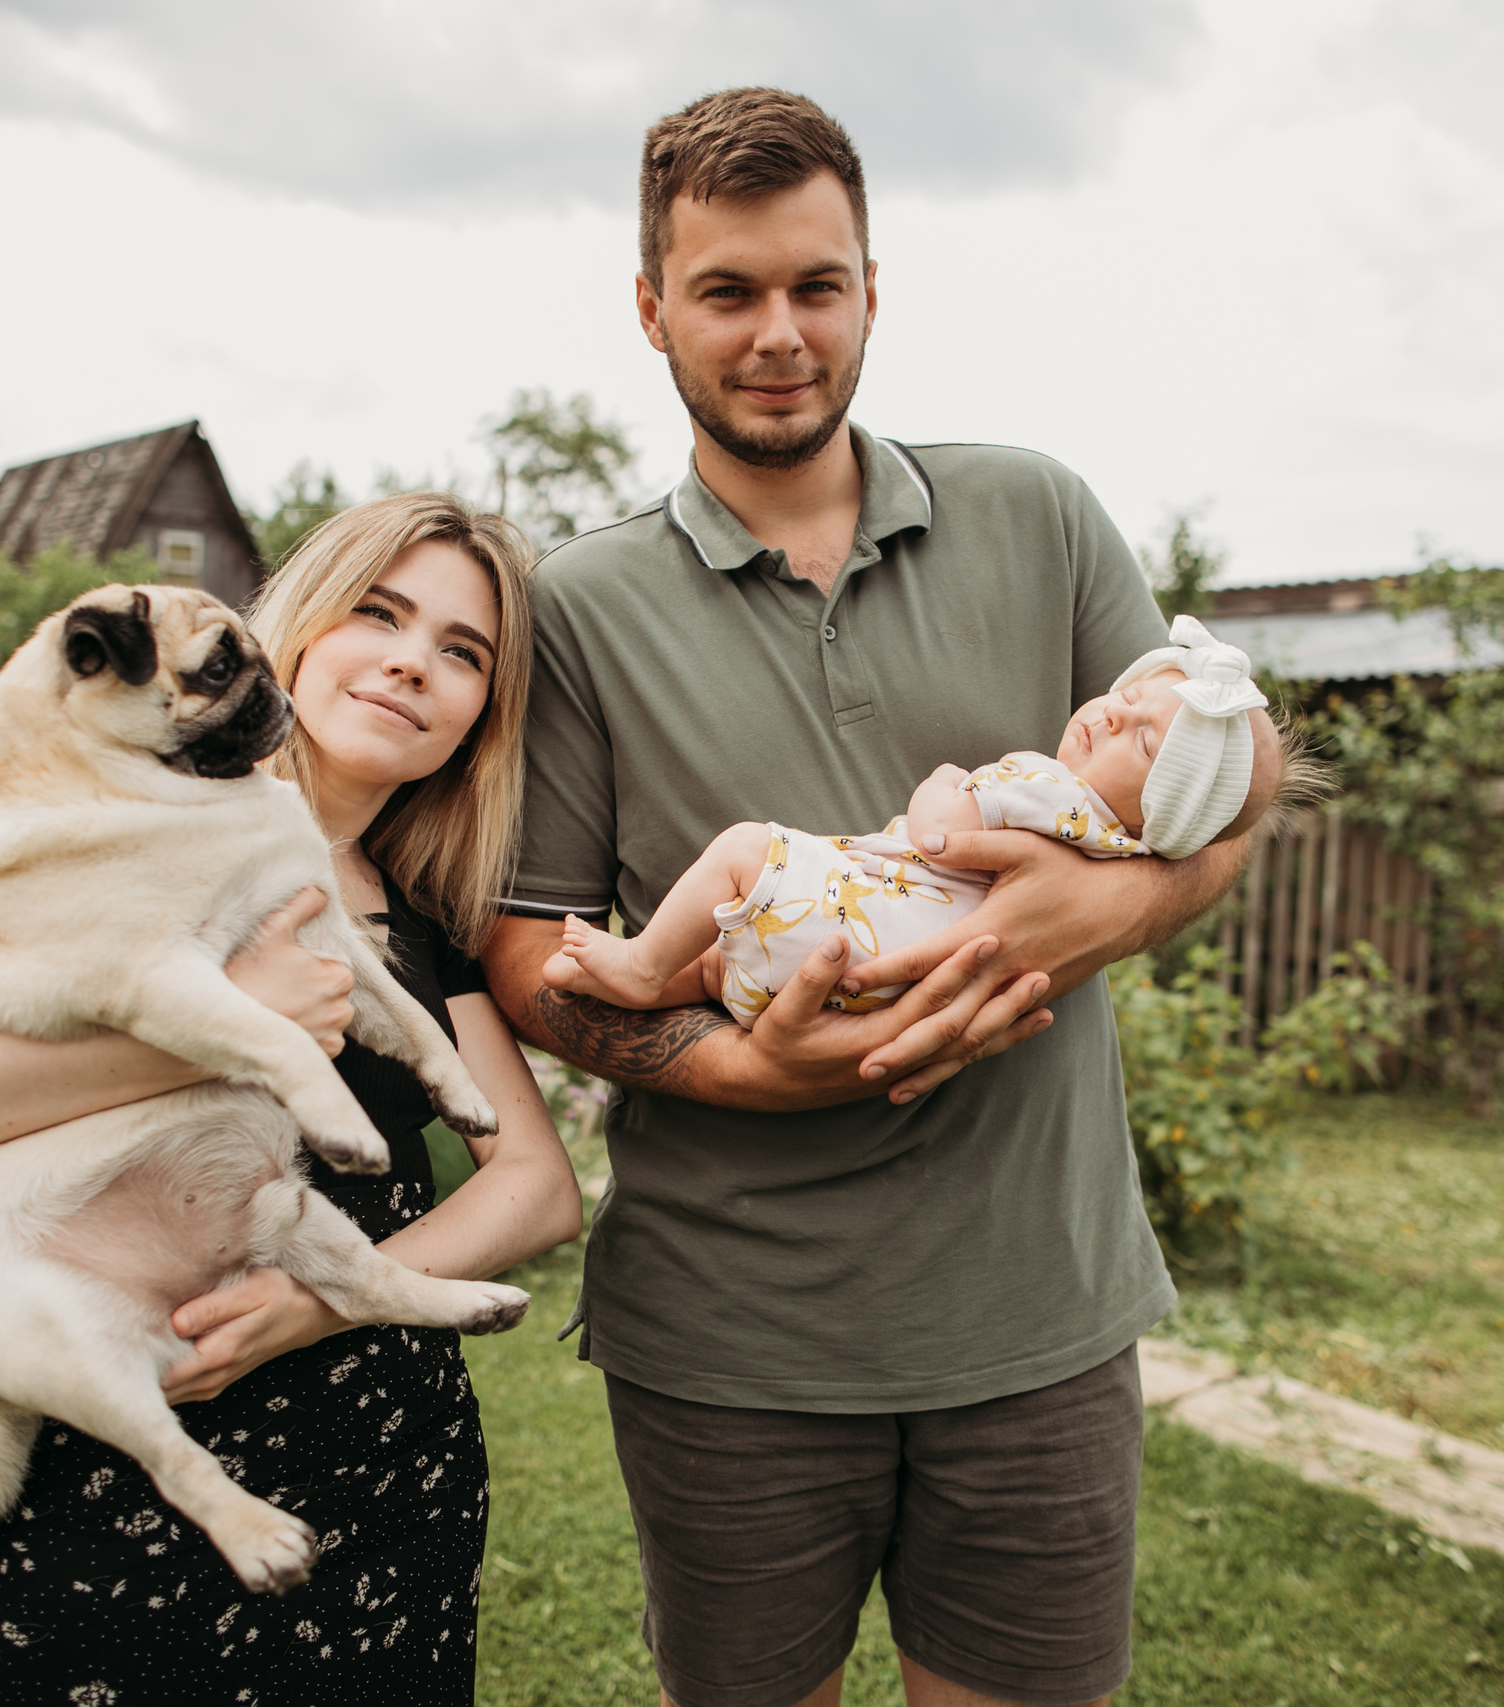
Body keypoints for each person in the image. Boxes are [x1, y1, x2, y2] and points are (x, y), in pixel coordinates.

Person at [479, 89, 1257, 1707]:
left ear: (872, 290)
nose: (779, 332)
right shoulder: (582, 605)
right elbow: (531, 949)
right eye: (729, 290)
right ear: (652, 309)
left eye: (815, 286)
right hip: (730, 1342)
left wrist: (1090, 916)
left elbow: (1231, 787)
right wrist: (737, 1070)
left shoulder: (1038, 515)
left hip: (1033, 1315)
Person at [0, 493, 582, 1706]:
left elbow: (535, 1185)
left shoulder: (420, 910)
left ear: (479, 715)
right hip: (130, 1482)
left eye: (463, 653)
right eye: (381, 614)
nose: (415, 662)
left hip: (388, 1470)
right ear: (296, 633)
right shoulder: (84, 827)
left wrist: (323, 1305)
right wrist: (236, 1024)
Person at [541, 618, 1290, 1025]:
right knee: (719, 966)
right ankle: (653, 980)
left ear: (1166, 807)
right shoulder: (1109, 852)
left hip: (863, 923)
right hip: (875, 991)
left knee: (745, 854)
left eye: (1146, 739)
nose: (1113, 711)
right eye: (1127, 699)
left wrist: (945, 777)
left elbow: (940, 829)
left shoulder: (1050, 789)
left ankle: (640, 969)